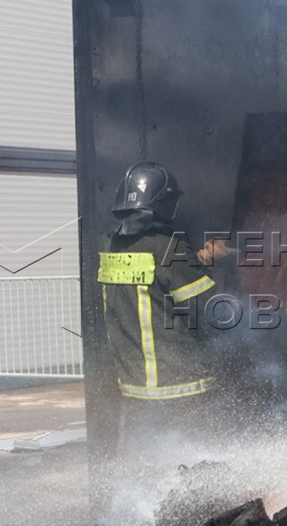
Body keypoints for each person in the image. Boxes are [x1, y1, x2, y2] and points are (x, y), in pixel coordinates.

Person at [96, 163, 227, 416]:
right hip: (181, 384)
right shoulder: (169, 247)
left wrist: (192, 263)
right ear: (166, 203)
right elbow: (208, 309)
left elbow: (150, 287)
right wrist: (214, 267)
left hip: (133, 383)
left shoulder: (110, 245)